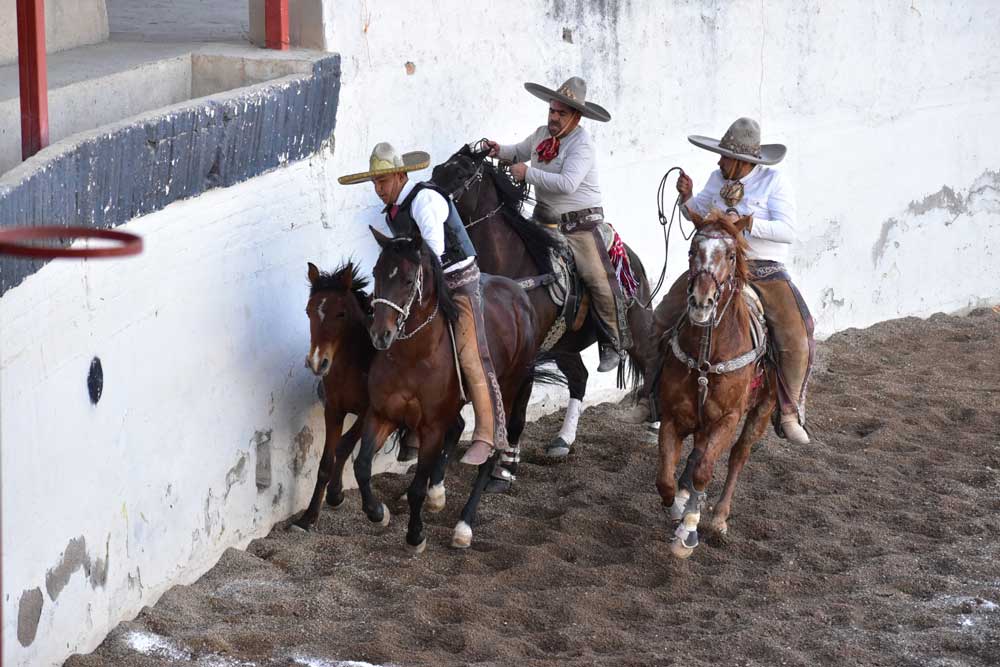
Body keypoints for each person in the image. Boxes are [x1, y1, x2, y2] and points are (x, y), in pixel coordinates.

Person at [339, 142, 506, 465]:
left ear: (401, 176)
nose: (378, 189)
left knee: (470, 351)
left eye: (383, 182)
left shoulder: (423, 200)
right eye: (375, 183)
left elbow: (433, 254)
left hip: (456, 278)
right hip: (421, 285)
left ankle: (486, 432)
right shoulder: (394, 211)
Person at [653, 117, 814, 444]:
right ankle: (651, 397)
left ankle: (789, 409)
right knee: (662, 317)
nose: (718, 160)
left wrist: (750, 222)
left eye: (724, 156)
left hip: (762, 268)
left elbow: (788, 231)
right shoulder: (717, 178)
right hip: (716, 265)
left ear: (742, 161)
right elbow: (697, 212)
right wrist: (687, 198)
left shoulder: (774, 183)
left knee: (800, 332)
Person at [485, 76, 633, 373]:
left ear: (576, 117)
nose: (553, 117)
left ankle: (613, 341)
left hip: (581, 226)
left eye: (561, 113)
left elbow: (567, 183)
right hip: (544, 220)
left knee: (596, 276)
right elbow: (517, 151)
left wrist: (527, 174)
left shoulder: (583, 145)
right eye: (552, 111)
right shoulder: (541, 134)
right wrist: (496, 149)